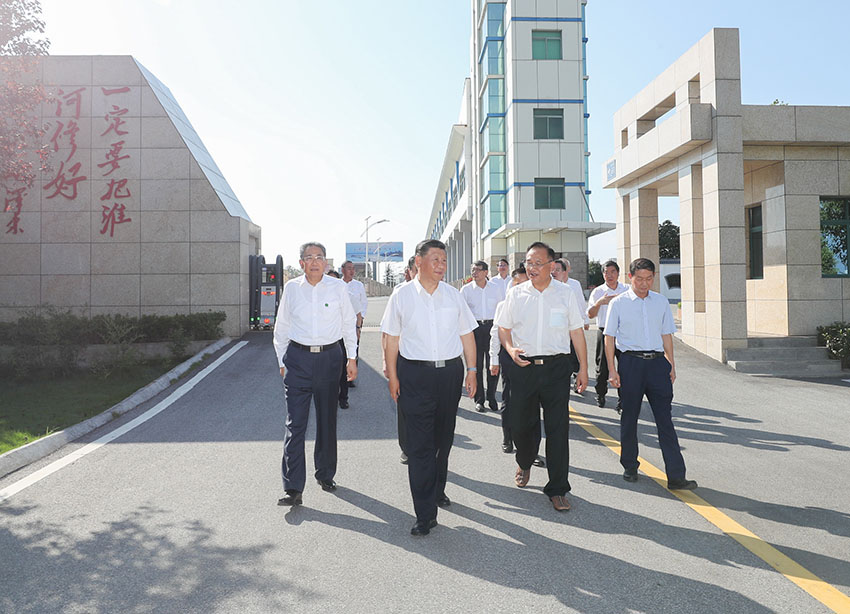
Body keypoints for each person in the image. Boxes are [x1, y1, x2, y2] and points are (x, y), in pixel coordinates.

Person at [381, 239, 478, 536]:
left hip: (449, 374)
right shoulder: (402, 296)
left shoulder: (453, 296)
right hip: (415, 375)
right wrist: (394, 376)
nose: (441, 265)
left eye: (444, 260)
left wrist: (472, 370)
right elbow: (392, 339)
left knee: (443, 439)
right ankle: (424, 513)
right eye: (435, 259)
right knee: (420, 445)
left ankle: (438, 489)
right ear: (418, 261)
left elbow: (467, 336)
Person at [495, 242, 588, 512]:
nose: (531, 268)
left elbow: (576, 332)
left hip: (557, 368)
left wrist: (583, 367)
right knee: (522, 425)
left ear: (551, 266)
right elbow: (504, 328)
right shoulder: (516, 294)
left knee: (558, 429)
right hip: (523, 367)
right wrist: (510, 349)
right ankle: (525, 462)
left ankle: (558, 488)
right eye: (528, 263)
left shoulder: (565, 294)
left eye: (537, 263)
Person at [273, 242, 358, 507]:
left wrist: (352, 357)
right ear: (301, 263)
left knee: (326, 420)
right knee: (295, 424)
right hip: (297, 360)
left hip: (330, 359)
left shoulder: (338, 288)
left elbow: (348, 323)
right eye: (309, 257)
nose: (314, 262)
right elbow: (282, 326)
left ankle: (325, 473)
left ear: (326, 263)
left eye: (319, 257)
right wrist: (282, 361)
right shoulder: (292, 289)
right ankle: (293, 487)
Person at [604, 257, 697, 491]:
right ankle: (630, 466)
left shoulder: (661, 302)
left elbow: (667, 334)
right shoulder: (619, 303)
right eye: (639, 279)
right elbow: (609, 339)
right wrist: (612, 370)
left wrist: (671, 363)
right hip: (630, 364)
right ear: (630, 278)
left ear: (653, 278)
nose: (644, 284)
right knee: (630, 417)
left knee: (665, 420)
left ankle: (676, 476)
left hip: (657, 365)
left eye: (649, 279)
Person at [489, 266, 537, 454]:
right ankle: (507, 437)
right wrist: (493, 359)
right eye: (518, 283)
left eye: (526, 283)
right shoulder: (505, 304)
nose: (522, 287)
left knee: (530, 403)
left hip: (532, 358)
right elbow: (496, 334)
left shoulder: (537, 303)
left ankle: (528, 447)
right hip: (509, 358)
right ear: (512, 284)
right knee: (509, 399)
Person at [383, 255, 418, 465]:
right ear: (411, 270)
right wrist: (387, 363)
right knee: (405, 408)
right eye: (416, 269)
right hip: (404, 359)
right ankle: (406, 447)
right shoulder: (400, 293)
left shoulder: (442, 293)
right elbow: (386, 333)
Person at [460, 260, 502, 412]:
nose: (475, 272)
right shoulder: (466, 290)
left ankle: (491, 397)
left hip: (492, 328)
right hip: (474, 330)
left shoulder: (496, 289)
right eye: (473, 270)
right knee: (475, 365)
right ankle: (479, 400)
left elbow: (501, 309)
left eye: (478, 269)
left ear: (486, 272)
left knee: (493, 365)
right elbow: (461, 313)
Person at [587, 260, 629, 411]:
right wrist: (599, 303)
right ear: (602, 274)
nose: (609, 275)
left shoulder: (627, 289)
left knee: (624, 367)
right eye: (606, 272)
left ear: (618, 273)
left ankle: (623, 401)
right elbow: (590, 315)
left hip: (623, 332)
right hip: (604, 331)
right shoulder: (598, 291)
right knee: (602, 366)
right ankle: (601, 394)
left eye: (613, 272)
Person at [339, 260, 367, 404]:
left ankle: (350, 375)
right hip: (338, 329)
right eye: (349, 268)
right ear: (342, 270)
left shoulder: (358, 286)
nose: (351, 271)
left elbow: (363, 305)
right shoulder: (337, 285)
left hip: (354, 324)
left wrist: (359, 325)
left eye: (353, 269)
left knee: (353, 350)